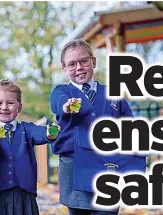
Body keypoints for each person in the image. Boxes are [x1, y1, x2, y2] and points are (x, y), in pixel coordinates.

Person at [49, 39, 146, 215]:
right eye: (72, 64)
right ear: (64, 69)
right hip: (74, 169)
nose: (79, 67)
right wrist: (66, 106)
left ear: (93, 61)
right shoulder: (62, 92)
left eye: (83, 61)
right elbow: (58, 104)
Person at [0, 79, 59, 215]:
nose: (4, 107)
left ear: (19, 107)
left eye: (10, 103)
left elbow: (40, 133)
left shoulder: (26, 129)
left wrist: (49, 132)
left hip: (23, 196)